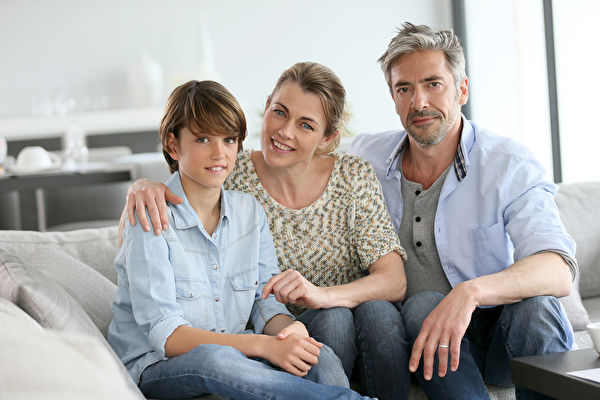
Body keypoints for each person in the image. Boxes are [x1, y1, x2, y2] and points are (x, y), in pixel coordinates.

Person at [122, 62, 409, 400]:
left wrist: (291, 333)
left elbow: (265, 302)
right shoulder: (156, 213)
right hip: (160, 364)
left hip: (239, 352)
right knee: (217, 358)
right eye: (203, 139)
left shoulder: (248, 210)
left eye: (229, 140)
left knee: (317, 352)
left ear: (328, 138)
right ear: (173, 146)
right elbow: (166, 336)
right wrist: (263, 345)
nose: (219, 152)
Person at [349, 22, 577, 399]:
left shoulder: (508, 164)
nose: (419, 102)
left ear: (462, 89)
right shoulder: (364, 158)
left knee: (538, 308)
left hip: (497, 336)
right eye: (404, 89)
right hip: (421, 336)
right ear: (392, 96)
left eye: (433, 84)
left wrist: (470, 292)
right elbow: (302, 163)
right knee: (424, 305)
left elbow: (557, 267)